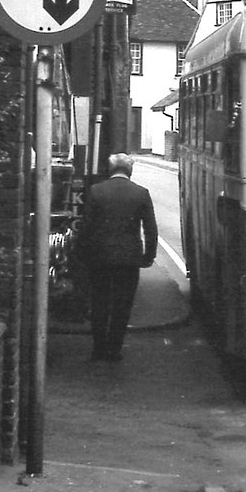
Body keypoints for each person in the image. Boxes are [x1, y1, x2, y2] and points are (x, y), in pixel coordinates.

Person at [75, 153, 158, 362]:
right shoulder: (141, 193)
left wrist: (81, 253)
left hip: (100, 257)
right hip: (129, 259)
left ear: (109, 170)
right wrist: (148, 257)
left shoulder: (96, 191)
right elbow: (150, 229)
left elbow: (86, 226)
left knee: (99, 303)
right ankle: (114, 350)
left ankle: (98, 349)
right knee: (122, 305)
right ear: (130, 171)